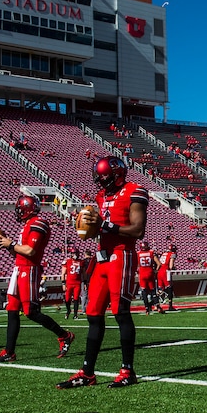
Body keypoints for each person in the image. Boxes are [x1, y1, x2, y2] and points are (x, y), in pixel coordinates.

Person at [57, 156, 147, 389]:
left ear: (117, 174)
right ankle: (87, 372)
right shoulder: (101, 196)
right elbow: (99, 227)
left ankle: (128, 371)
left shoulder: (135, 191)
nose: (100, 182)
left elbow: (137, 231)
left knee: (121, 313)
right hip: (101, 257)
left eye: (104, 177)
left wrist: (104, 225)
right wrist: (87, 228)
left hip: (122, 255)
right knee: (93, 314)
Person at [0, 195, 75, 363]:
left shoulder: (38, 223)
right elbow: (19, 251)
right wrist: (5, 246)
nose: (18, 212)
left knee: (31, 312)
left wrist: (11, 244)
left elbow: (31, 251)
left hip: (29, 269)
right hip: (19, 269)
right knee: (12, 309)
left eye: (20, 209)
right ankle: (9, 351)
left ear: (26, 209)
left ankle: (64, 335)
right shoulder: (27, 225)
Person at [137, 241, 162, 313]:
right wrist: (155, 271)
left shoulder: (138, 254)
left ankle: (147, 308)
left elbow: (136, 265)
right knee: (153, 291)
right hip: (150, 273)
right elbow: (159, 264)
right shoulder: (151, 252)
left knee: (144, 291)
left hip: (142, 274)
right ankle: (158, 306)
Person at [61, 248, 84, 320]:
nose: (76, 255)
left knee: (76, 299)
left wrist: (85, 282)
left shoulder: (81, 262)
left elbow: (83, 273)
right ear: (71, 254)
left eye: (77, 253)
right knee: (67, 299)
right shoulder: (67, 261)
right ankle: (68, 311)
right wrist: (63, 283)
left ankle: (75, 314)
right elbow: (63, 273)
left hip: (77, 283)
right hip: (69, 283)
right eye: (74, 253)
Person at [157, 243, 177, 312]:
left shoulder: (164, 253)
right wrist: (174, 268)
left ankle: (156, 305)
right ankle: (170, 306)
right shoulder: (172, 254)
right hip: (166, 272)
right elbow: (171, 266)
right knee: (170, 288)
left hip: (159, 272)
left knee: (160, 289)